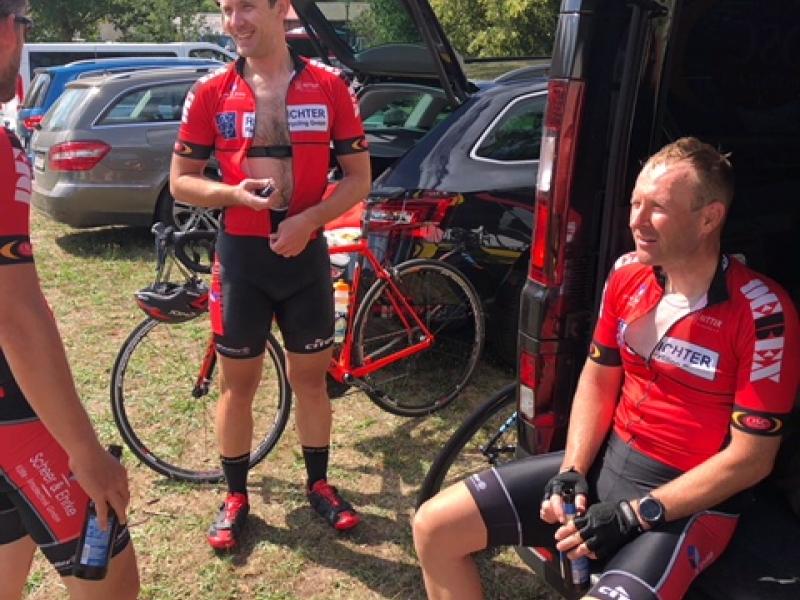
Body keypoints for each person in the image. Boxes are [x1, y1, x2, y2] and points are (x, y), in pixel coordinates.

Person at [413, 137, 800, 600]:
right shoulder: (626, 273)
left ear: (709, 217)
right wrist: (572, 470)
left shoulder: (762, 312)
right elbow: (598, 379)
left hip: (688, 502)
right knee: (435, 526)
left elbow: (752, 458)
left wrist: (635, 514)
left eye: (658, 207)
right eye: (635, 203)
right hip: (608, 465)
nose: (636, 220)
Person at [170, 0, 370, 551]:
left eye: (247, 7)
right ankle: (235, 496)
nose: (234, 21)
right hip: (242, 259)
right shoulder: (210, 91)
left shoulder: (329, 87)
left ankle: (319, 484)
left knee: (311, 380)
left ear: (281, 7)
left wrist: (309, 221)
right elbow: (182, 180)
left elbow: (358, 179)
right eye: (226, 9)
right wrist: (232, 194)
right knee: (239, 386)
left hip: (305, 258)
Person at [0, 3, 140, 598]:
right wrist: (85, 451)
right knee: (114, 584)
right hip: (14, 417)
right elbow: (13, 314)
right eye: (24, 22)